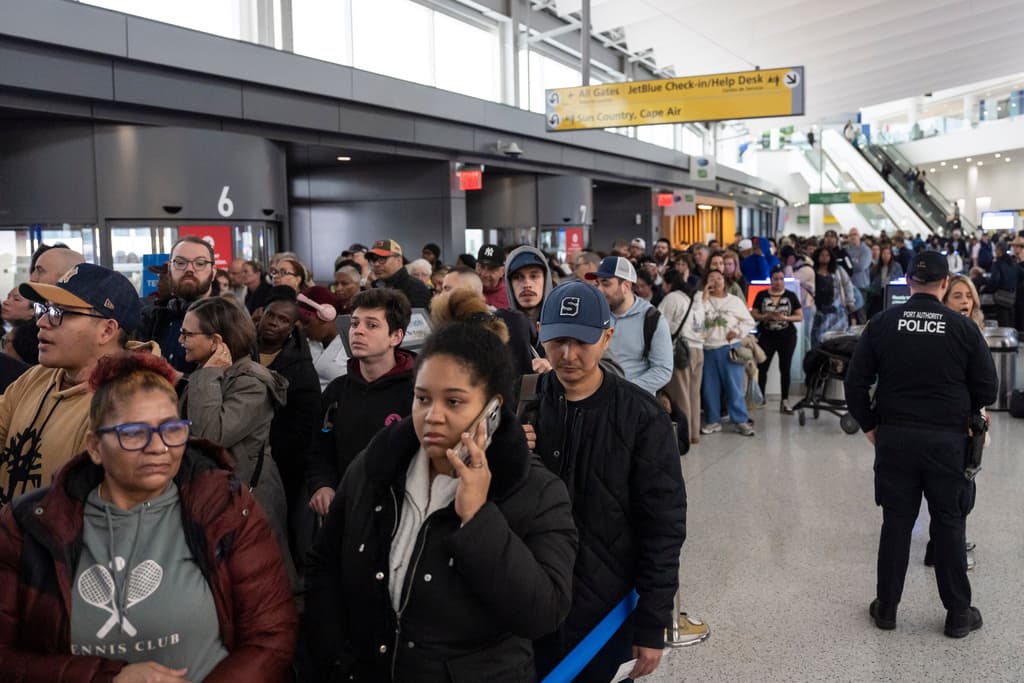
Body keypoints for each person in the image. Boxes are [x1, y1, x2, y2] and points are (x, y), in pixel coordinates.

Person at [305, 322, 576, 681]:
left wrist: (479, 518)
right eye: (422, 398)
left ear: (493, 408)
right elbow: (325, 563)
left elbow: (543, 612)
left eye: (454, 401)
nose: (432, 416)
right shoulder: (376, 466)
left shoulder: (536, 492)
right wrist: (336, 657)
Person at [0, 352, 297, 680]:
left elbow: (270, 635)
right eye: (134, 433)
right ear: (95, 446)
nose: (159, 448)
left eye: (172, 429)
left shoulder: (225, 508)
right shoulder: (30, 526)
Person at [528, 281, 686, 682]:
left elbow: (663, 528)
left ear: (607, 336)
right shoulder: (520, 405)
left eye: (581, 341)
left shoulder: (642, 418)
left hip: (607, 614)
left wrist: (652, 622)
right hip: (529, 604)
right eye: (557, 340)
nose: (567, 355)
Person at [845, 251, 997, 639]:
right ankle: (958, 614)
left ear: (908, 282)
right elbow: (988, 388)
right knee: (949, 523)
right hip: (948, 441)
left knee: (896, 522)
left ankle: (887, 610)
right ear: (944, 284)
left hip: (895, 437)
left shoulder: (882, 323)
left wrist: (870, 427)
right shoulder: (963, 329)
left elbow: (855, 383)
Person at [0, 264, 144, 507]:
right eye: (43, 309)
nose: (42, 322)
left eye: (60, 312)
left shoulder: (130, 401)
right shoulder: (37, 377)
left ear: (107, 330)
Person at [176, 297, 293, 580]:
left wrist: (210, 374)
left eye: (188, 334)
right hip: (217, 492)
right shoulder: (209, 373)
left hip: (251, 497)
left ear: (216, 341)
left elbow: (210, 434)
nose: (181, 340)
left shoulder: (252, 382)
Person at [305, 288, 415, 518]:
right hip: (343, 512)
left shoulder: (416, 392)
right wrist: (321, 485)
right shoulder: (337, 391)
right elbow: (319, 451)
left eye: (372, 325)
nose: (358, 332)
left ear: (396, 336)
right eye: (355, 324)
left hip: (397, 513)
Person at [256, 288, 320, 542]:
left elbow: (306, 423)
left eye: (283, 320)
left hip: (280, 459)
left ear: (293, 327)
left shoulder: (301, 368)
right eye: (271, 315)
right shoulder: (238, 349)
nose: (273, 322)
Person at [588, 256, 672, 395]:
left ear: (626, 286)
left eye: (606, 284)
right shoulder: (594, 314)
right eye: (597, 284)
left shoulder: (652, 319)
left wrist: (624, 389)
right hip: (597, 401)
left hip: (636, 405)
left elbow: (663, 370)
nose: (599, 290)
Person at [137, 236, 216, 373]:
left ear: (213, 272)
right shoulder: (154, 319)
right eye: (180, 263)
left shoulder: (231, 321)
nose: (189, 269)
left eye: (200, 263)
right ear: (169, 271)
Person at [441, 267, 534, 377]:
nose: (441, 295)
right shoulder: (446, 330)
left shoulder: (500, 326)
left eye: (447, 289)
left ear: (468, 290)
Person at [700, 269, 756, 436]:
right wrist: (703, 298)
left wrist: (738, 331)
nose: (716, 281)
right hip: (708, 349)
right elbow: (695, 321)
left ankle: (740, 420)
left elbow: (749, 321)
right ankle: (713, 420)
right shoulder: (701, 301)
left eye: (719, 278)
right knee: (710, 388)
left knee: (734, 387)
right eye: (712, 278)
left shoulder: (734, 301)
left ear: (725, 282)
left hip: (729, 349)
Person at [659, 268, 705, 445]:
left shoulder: (672, 298)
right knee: (694, 393)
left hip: (681, 350)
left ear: (669, 283)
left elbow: (660, 323)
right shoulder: (696, 298)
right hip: (698, 348)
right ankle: (694, 434)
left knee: (681, 395)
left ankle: (683, 436)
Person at [751, 266, 802, 413]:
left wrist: (785, 317)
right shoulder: (761, 295)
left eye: (781, 279)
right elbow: (754, 314)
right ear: (771, 280)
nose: (778, 282)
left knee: (785, 368)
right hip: (766, 335)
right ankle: (760, 397)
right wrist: (765, 317)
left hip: (787, 335)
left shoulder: (791, 295)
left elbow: (799, 316)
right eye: (775, 279)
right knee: (763, 366)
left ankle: (784, 400)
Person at [298, 285, 348, 391]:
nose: (301, 328)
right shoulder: (302, 341)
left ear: (327, 316)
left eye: (306, 322)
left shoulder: (353, 343)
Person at [504, 246, 553, 350]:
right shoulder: (502, 329)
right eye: (517, 277)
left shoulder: (563, 324)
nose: (527, 284)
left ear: (546, 280)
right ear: (509, 284)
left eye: (534, 276)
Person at [810, 246, 855, 347]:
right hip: (819, 311)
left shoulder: (838, 270)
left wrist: (850, 302)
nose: (825, 257)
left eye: (827, 255)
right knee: (820, 339)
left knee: (838, 339)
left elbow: (847, 285)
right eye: (822, 255)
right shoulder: (812, 271)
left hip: (838, 310)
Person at [368, 239, 432, 309]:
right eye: (373, 260)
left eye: (382, 259)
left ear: (399, 260)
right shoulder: (374, 287)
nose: (376, 264)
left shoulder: (416, 288)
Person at [866, 242, 904, 318]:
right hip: (878, 294)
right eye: (884, 254)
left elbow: (900, 278)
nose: (886, 256)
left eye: (888, 254)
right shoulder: (875, 268)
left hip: (891, 293)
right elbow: (871, 280)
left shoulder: (896, 266)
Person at [986, 241, 1017, 327]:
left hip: (1001, 298)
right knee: (1011, 322)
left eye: (996, 249)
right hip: (1012, 297)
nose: (995, 251)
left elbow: (995, 280)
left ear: (999, 251)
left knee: (1004, 323)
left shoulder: (997, 264)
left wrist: (988, 289)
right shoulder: (1013, 262)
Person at [475, 244, 510, 309]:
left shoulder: (510, 297)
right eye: (481, 267)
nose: (484, 274)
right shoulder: (466, 291)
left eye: (492, 269)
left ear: (502, 271)